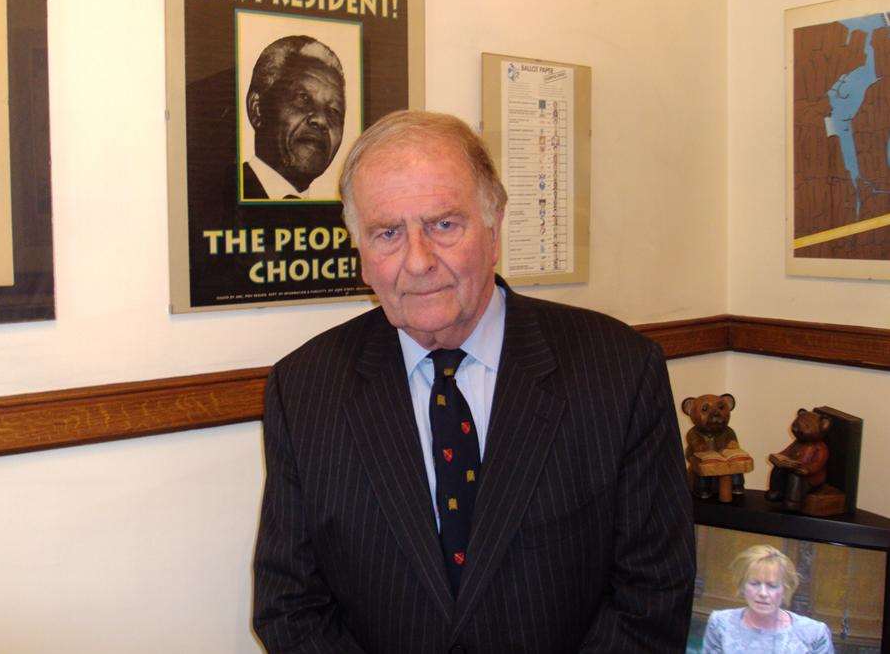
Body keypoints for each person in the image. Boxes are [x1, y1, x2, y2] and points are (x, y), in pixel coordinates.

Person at [253, 110, 695, 652]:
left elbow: (652, 597)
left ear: (494, 225)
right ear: (361, 255)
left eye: (443, 225)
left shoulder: (619, 373)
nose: (417, 262)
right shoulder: (304, 391)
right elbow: (291, 608)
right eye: (387, 233)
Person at [242, 35, 345, 200]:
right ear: (257, 109)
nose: (321, 119)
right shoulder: (214, 199)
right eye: (303, 99)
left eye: (334, 110)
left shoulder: (338, 219)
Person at [701, 545, 834, 653]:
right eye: (754, 583)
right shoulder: (720, 623)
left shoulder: (814, 634)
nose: (763, 593)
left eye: (772, 586)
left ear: (785, 590)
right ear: (742, 586)